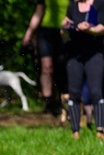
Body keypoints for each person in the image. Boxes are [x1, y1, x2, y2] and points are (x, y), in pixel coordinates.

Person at [62, 0, 104, 139]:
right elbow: (65, 32)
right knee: (73, 92)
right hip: (74, 53)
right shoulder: (72, 6)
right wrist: (64, 28)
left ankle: (100, 131)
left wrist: (90, 30)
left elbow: (101, 28)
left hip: (94, 53)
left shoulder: (99, 4)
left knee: (96, 91)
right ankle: (75, 131)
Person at [22, 0, 70, 116]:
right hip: (46, 32)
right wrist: (29, 33)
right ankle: (49, 102)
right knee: (47, 67)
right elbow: (39, 12)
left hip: (66, 31)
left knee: (63, 67)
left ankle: (65, 101)